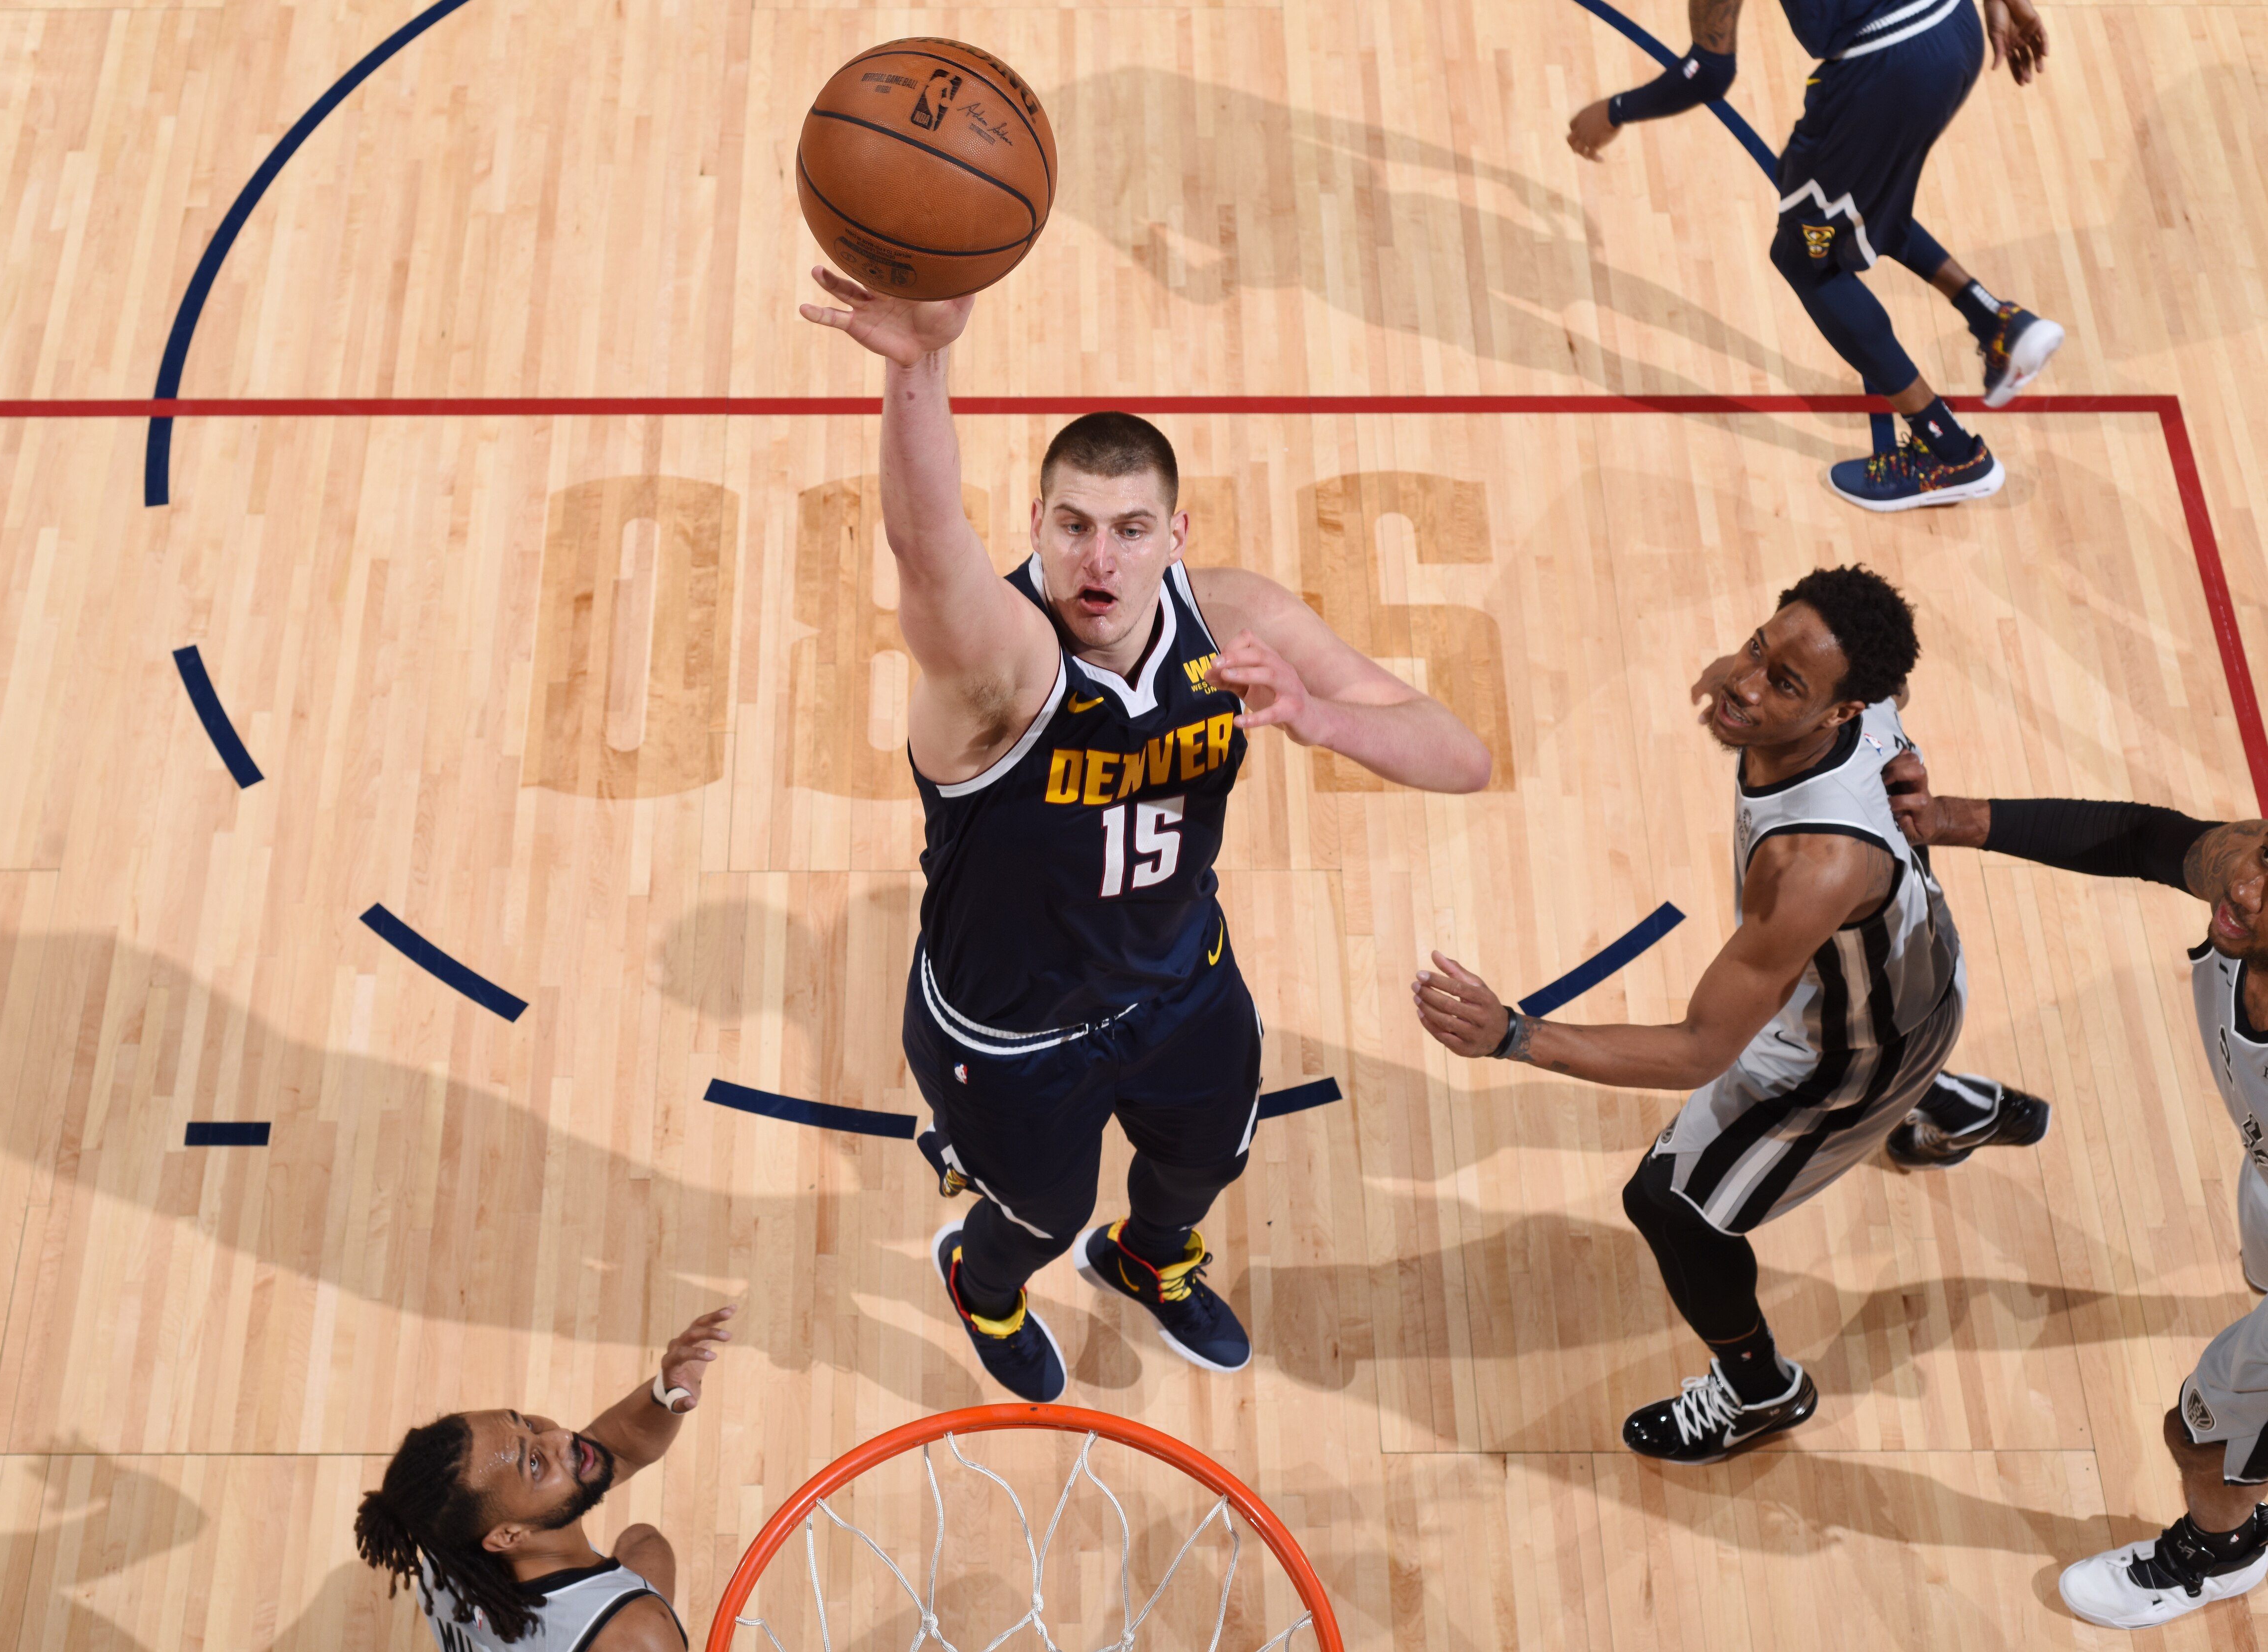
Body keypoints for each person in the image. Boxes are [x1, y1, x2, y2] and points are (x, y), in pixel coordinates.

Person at [797, 266, 1495, 1402]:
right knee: (1038, 1212)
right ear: (1033, 525)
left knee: (1206, 1158)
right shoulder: (1001, 665)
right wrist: (917, 363)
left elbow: (1458, 756)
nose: (1098, 561)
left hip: (1179, 985)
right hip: (1016, 1032)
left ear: (1176, 533)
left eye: (1129, 529)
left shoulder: (1237, 620)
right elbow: (927, 554)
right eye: (1071, 526)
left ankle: (1150, 1259)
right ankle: (983, 1280)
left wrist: (1317, 718)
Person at [1410, 565, 2046, 1461]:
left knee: (1671, 1206)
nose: (1747, 681)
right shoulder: (1870, 703)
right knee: (1864, 1040)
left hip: (1853, 1053)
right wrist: (1758, 675)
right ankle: (1945, 1108)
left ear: (1838, 710)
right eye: (1759, 645)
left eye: (1785, 682)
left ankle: (1760, 1391)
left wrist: (1516, 1034)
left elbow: (1701, 1048)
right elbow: (1876, 677)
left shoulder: (1812, 863)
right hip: (1921, 973)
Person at [1888, 774, 2268, 1627]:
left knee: (2203, 1430)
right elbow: (2143, 837)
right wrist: (1947, 818)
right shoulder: (2248, 886)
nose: (2244, 886)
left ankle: (2225, 1552)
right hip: (2266, 1174)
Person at [1566, 0, 2066, 511]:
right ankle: (1995, 322)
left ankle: (1947, 451)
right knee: (1840, 199)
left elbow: (1707, 73)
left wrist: (1613, 112)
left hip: (1886, 69)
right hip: (1953, 29)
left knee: (1806, 260)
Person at [352, 1305, 735, 1651]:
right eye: (534, 1463)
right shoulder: (634, 1632)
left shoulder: (448, 1543)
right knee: (648, 1552)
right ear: (508, 1535)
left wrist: (667, 1391)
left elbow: (614, 1448)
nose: (561, 1437)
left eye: (528, 1424)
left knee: (645, 1541)